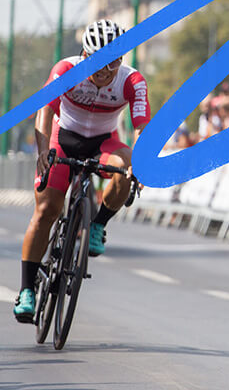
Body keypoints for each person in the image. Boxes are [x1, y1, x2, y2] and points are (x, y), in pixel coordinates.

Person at [13, 20, 150, 323]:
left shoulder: (132, 81)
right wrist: (42, 154)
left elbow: (142, 128)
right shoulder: (65, 70)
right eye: (97, 62)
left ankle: (99, 223)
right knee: (46, 210)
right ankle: (26, 290)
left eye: (112, 62)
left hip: (104, 142)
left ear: (121, 59)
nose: (103, 71)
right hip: (63, 140)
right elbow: (45, 110)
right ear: (85, 56)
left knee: (126, 167)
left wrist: (140, 167)